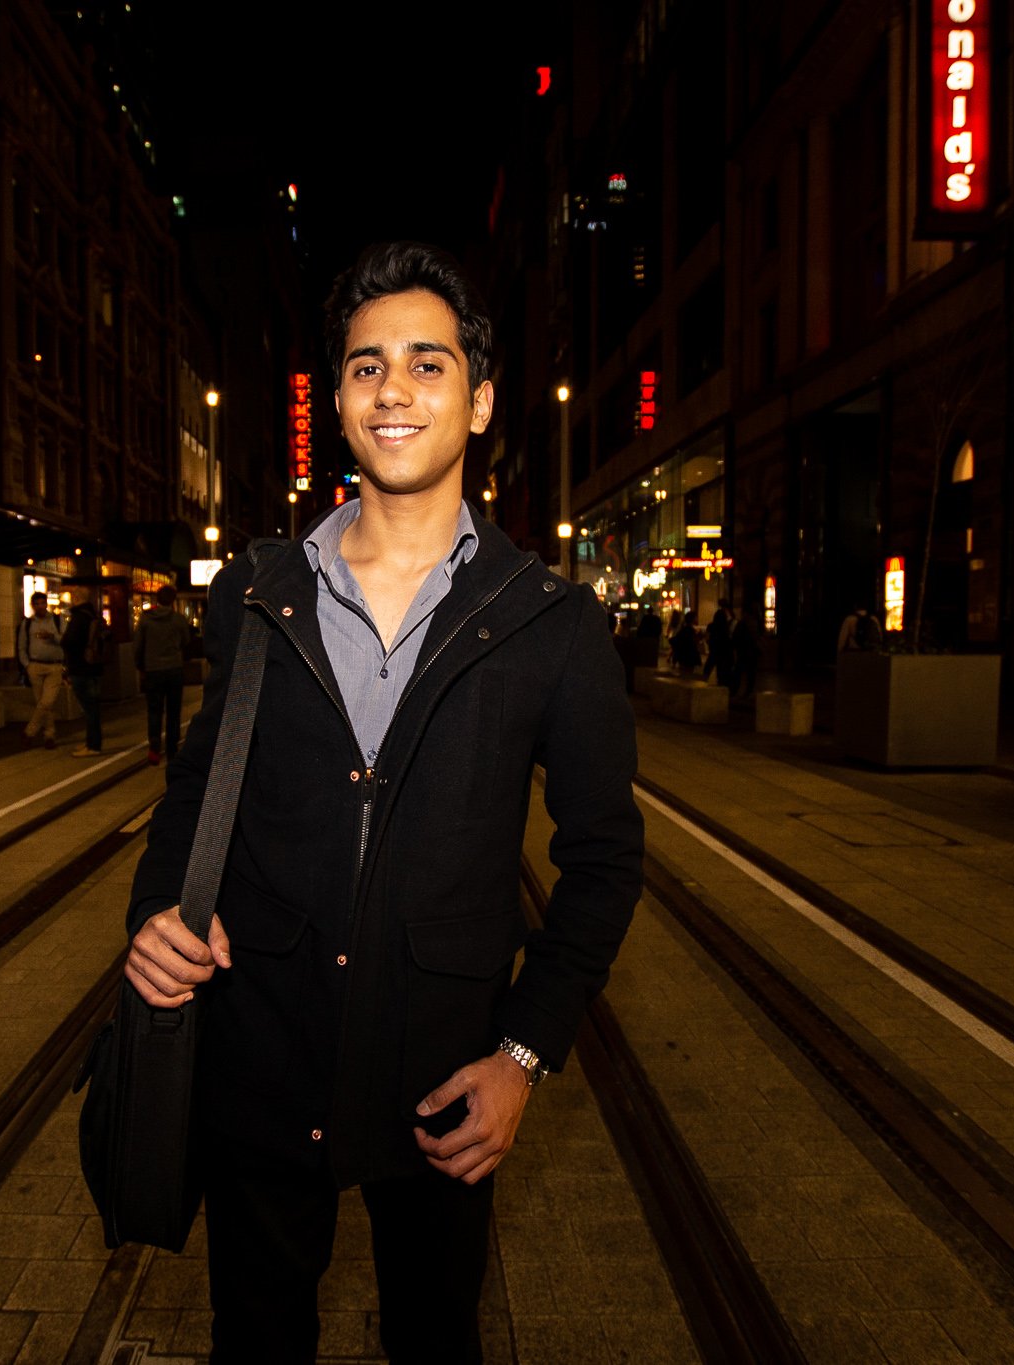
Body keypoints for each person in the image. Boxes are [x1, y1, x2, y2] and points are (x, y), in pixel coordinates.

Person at [122, 241, 643, 1364]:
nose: (392, 389)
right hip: (257, 1050)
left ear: (480, 399)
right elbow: (193, 787)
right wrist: (157, 913)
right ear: (338, 400)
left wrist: (523, 1059)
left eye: (425, 364)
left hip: (442, 1075)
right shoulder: (255, 593)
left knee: (433, 1339)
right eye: (365, 367)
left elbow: (602, 864)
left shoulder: (550, 624)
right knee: (252, 1340)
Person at [134, 584, 188, 765]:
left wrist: (141, 666)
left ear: (157, 599)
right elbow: (186, 641)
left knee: (154, 710)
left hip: (152, 670)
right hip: (174, 669)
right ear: (173, 600)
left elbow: (138, 646)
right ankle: (172, 749)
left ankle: (154, 747)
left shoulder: (145, 619)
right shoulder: (178, 619)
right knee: (174, 711)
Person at [60, 590, 106, 756]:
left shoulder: (79, 618)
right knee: (92, 707)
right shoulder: (92, 615)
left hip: (81, 667)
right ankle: (91, 742)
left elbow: (69, 641)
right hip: (93, 666)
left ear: (77, 598)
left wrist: (62, 640)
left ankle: (93, 745)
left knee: (89, 709)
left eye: (72, 597)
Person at [16, 594, 65, 749]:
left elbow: (65, 640)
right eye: (36, 604)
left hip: (54, 666)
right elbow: (21, 646)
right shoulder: (28, 624)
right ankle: (49, 736)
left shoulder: (57, 620)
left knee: (47, 701)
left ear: (46, 604)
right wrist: (27, 665)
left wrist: (52, 637)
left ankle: (29, 732)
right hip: (35, 666)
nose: (40, 606)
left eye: (42, 603)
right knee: (42, 704)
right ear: (32, 605)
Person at [702, 607, 730, 686]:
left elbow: (707, 637)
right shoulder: (726, 626)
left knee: (708, 668)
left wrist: (709, 643)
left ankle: (703, 683)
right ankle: (721, 685)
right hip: (723, 650)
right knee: (720, 670)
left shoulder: (711, 625)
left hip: (714, 649)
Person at [669, 609, 701, 674]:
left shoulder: (685, 629)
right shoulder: (689, 630)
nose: (697, 618)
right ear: (692, 619)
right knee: (687, 674)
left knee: (685, 675)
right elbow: (691, 644)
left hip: (684, 657)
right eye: (696, 617)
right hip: (688, 657)